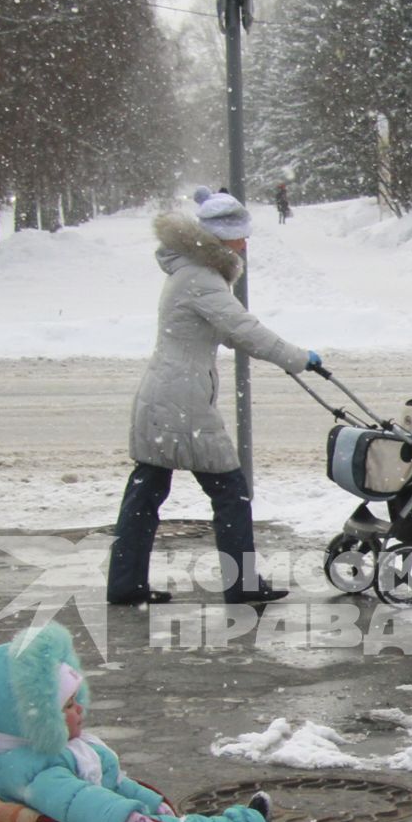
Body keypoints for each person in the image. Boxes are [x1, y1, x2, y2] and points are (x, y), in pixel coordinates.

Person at [0, 623, 295, 822]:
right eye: (66, 707)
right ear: (33, 721)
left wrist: (147, 803)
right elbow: (80, 802)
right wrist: (123, 818)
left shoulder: (46, 751)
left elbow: (114, 784)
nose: (79, 709)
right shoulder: (36, 771)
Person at [106, 189, 324, 606]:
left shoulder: (189, 273)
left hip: (167, 391)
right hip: (183, 401)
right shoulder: (201, 279)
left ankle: (125, 581)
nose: (244, 245)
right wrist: (298, 358)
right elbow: (246, 330)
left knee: (146, 492)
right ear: (220, 239)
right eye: (239, 237)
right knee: (230, 490)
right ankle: (241, 584)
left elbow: (220, 328)